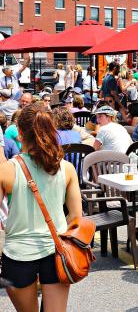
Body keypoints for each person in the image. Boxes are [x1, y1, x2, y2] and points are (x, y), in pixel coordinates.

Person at [0, 103, 83, 312]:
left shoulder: (7, 170)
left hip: (18, 256)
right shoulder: (66, 168)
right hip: (56, 253)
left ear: (19, 132)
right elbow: (76, 218)